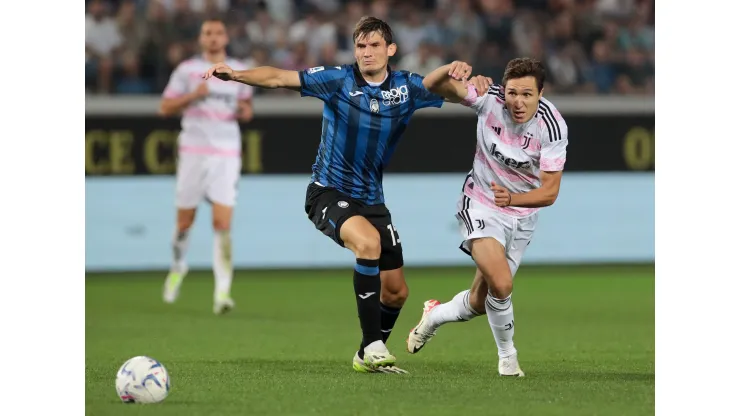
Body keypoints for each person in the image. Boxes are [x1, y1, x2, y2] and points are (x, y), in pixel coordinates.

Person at [202, 16, 482, 374]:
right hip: (327, 192)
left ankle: (367, 357)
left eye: (374, 45)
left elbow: (456, 94)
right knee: (367, 244)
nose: (366, 53)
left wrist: (476, 84)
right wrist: (236, 75)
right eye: (361, 46)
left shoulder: (407, 88)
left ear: (390, 49)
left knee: (396, 292)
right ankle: (372, 346)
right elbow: (278, 77)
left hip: (372, 199)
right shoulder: (336, 80)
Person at [406, 57, 569, 377]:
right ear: (503, 90)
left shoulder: (552, 126)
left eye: (526, 94)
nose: (518, 102)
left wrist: (515, 199)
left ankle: (435, 316)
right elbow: (431, 85)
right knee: (502, 283)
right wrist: (452, 70)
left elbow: (550, 192)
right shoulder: (488, 99)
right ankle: (508, 360)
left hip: (522, 215)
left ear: (541, 93)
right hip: (479, 204)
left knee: (481, 302)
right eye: (512, 93)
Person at [159, 18, 254, 315]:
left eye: (218, 33)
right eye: (208, 33)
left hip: (226, 154)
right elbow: (164, 107)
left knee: (223, 224)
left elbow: (248, 110)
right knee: (184, 223)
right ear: (201, 39)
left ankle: (222, 292)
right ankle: (178, 266)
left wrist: (242, 110)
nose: (213, 38)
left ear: (225, 38)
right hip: (193, 153)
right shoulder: (187, 71)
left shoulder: (236, 70)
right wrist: (191, 96)